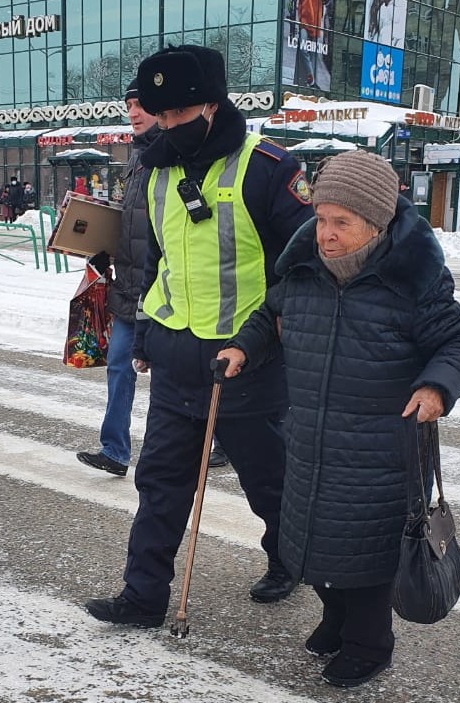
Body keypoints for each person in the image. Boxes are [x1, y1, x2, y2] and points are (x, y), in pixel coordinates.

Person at [216, 150, 460, 688]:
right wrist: (244, 346)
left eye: (343, 223)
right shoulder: (303, 271)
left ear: (377, 224)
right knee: (312, 543)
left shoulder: (412, 283)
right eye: (321, 219)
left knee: (365, 556)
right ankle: (335, 620)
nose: (327, 235)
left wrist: (437, 386)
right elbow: (270, 315)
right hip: (311, 439)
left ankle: (370, 643)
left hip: (380, 451)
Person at [84, 44, 314, 627]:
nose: (164, 125)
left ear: (211, 106)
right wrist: (144, 333)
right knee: (159, 483)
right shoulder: (154, 170)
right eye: (156, 114)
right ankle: (143, 598)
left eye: (175, 115)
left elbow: (301, 270)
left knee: (270, 484)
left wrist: (263, 342)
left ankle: (287, 560)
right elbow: (157, 258)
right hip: (175, 355)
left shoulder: (266, 168)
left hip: (248, 362)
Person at [77, 79, 161, 478]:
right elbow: (129, 221)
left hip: (165, 292)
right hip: (129, 287)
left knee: (175, 380)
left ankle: (208, 444)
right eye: (129, 105)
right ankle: (114, 451)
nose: (133, 112)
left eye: (141, 104)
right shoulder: (135, 158)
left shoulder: (174, 156)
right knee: (118, 365)